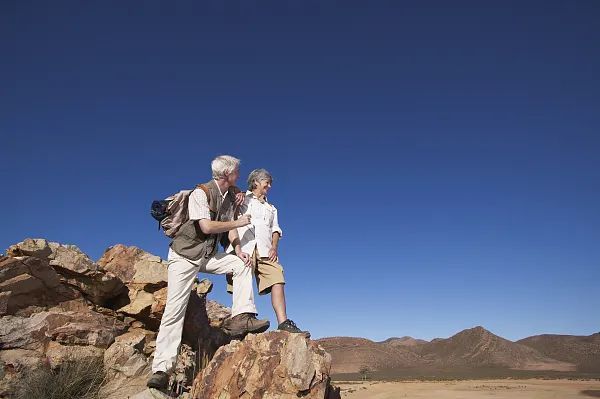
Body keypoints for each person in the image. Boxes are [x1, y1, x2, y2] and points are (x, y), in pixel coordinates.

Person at [147, 155, 270, 390]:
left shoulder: (231, 195)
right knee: (175, 310)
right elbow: (206, 227)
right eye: (236, 172)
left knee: (240, 264)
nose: (239, 176)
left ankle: (242, 316)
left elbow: (230, 228)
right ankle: (161, 369)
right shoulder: (200, 194)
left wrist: (238, 249)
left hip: (207, 256)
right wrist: (240, 222)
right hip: (184, 256)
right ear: (227, 174)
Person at [227, 168, 310, 337]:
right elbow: (229, 217)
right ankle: (242, 321)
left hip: (266, 250)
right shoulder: (241, 198)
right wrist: (236, 194)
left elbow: (275, 229)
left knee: (278, 278)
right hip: (244, 248)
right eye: (267, 182)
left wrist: (274, 247)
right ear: (256, 182)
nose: (270, 186)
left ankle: (283, 322)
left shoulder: (272, 208)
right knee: (241, 282)